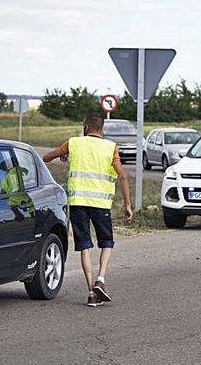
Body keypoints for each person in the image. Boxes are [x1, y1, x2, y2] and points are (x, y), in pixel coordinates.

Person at [43, 113, 133, 307]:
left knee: (85, 246)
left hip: (78, 202)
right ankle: (101, 278)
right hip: (101, 204)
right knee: (106, 242)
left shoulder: (73, 143)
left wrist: (63, 154)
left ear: (85, 126)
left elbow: (47, 158)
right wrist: (127, 205)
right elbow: (123, 176)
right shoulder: (110, 147)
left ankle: (91, 293)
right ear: (102, 128)